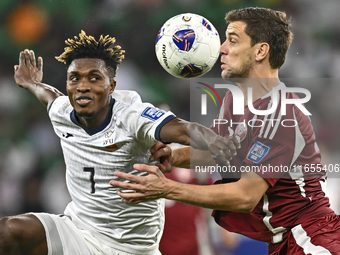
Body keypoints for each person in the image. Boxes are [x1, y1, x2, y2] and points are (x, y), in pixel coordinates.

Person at [111, 7, 340, 255]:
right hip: (284, 241)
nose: (221, 48)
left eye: (232, 40)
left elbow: (245, 196)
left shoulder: (280, 113)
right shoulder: (237, 98)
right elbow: (219, 152)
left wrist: (167, 188)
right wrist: (171, 156)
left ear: (261, 51)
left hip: (311, 238)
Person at [0, 31, 239, 255]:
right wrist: (31, 83)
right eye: (75, 78)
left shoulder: (132, 117)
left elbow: (183, 129)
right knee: (8, 232)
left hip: (133, 247)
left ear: (111, 86)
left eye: (94, 78)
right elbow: (48, 95)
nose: (83, 86)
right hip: (79, 232)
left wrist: (216, 140)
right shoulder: (62, 112)